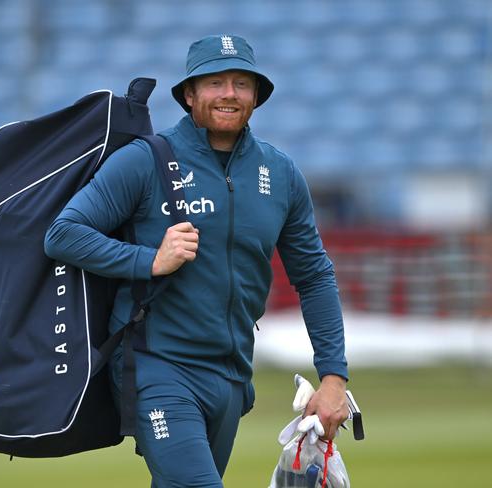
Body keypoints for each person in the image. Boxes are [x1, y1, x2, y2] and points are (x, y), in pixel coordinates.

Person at [45, 34, 349, 488]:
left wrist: (334, 378)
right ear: (190, 95)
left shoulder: (280, 173)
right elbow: (63, 234)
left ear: (255, 97)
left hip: (230, 378)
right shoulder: (145, 161)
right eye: (215, 83)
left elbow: (315, 277)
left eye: (242, 83)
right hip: (156, 367)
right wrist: (149, 260)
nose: (229, 93)